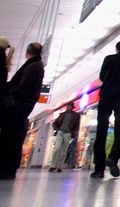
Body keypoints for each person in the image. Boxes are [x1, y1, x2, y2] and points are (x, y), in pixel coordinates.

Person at [91, 41, 120, 179]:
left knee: (101, 132)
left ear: (117, 48)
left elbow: (102, 77)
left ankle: (99, 170)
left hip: (106, 98)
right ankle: (113, 157)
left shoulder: (109, 59)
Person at [0, 42, 45, 180]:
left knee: (12, 134)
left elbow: (22, 87)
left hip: (21, 103)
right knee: (13, 134)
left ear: (28, 51)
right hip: (24, 103)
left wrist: (8, 94)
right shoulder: (36, 66)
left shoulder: (33, 66)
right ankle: (8, 167)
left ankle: (8, 168)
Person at [49, 102, 80, 172]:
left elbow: (77, 125)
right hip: (60, 132)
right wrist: (56, 129)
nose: (67, 107)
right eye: (67, 106)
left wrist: (73, 133)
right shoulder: (62, 114)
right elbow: (55, 123)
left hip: (68, 133)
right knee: (57, 148)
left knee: (64, 150)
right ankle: (53, 165)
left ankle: (60, 166)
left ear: (72, 107)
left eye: (69, 106)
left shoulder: (76, 115)